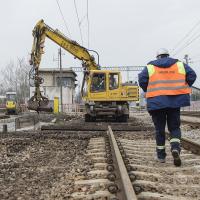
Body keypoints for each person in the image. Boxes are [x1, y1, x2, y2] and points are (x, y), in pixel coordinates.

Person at [138, 48, 197, 166]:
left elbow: (142, 79)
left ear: (158, 57)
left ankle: (161, 156)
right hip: (175, 102)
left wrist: (148, 90)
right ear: (168, 55)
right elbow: (192, 75)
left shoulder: (150, 67)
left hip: (157, 102)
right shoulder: (179, 65)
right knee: (174, 128)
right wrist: (183, 86)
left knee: (159, 130)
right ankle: (175, 148)